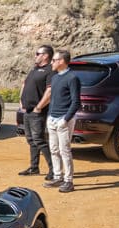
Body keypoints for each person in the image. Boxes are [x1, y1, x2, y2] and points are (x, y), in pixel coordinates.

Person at [44, 49, 80, 193]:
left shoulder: (72, 78)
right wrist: (49, 116)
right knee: (54, 150)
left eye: (54, 60)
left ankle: (68, 181)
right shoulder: (55, 77)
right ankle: (58, 176)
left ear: (61, 61)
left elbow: (76, 102)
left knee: (65, 150)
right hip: (52, 119)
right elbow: (53, 99)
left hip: (64, 120)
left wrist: (65, 119)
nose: (51, 63)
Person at [19, 45, 55, 179]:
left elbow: (49, 91)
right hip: (27, 110)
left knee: (39, 140)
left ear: (45, 56)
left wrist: (39, 107)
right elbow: (24, 84)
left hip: (37, 111)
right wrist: (21, 101)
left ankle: (54, 170)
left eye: (37, 53)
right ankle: (34, 167)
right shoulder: (35, 69)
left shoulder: (50, 70)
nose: (35, 55)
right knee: (31, 140)